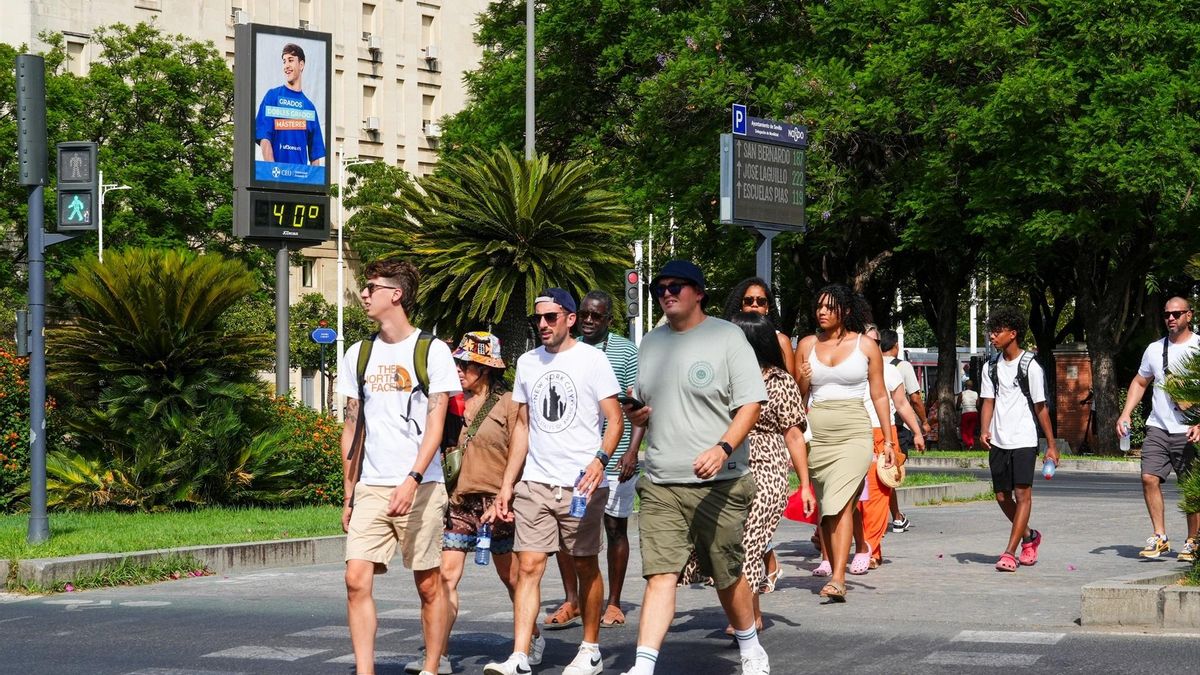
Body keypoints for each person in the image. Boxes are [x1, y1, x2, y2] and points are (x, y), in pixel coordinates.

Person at [620, 260, 769, 675]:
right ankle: (643, 666)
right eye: (659, 288)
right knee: (660, 575)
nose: (666, 293)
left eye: (676, 286)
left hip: (720, 483)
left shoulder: (727, 336)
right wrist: (634, 434)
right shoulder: (650, 343)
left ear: (698, 292)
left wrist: (723, 448)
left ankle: (751, 647)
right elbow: (645, 408)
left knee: (726, 575)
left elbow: (751, 403)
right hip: (663, 482)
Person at [486, 288, 624, 675]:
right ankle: (519, 655)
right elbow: (523, 428)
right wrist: (508, 484)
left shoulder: (593, 360)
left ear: (570, 319)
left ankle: (591, 648)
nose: (542, 325)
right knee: (528, 565)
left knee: (584, 566)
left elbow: (615, 419)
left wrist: (600, 460)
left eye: (550, 318)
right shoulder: (528, 363)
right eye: (537, 319)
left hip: (580, 484)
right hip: (536, 483)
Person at [338, 260, 459, 675]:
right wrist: (348, 493)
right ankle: (365, 670)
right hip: (371, 484)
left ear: (397, 294)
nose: (365, 294)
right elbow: (353, 426)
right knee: (355, 579)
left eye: (372, 287)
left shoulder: (432, 351)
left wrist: (412, 478)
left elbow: (436, 425)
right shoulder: (359, 353)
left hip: (421, 486)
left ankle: (431, 666)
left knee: (428, 584)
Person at [403, 332, 544, 675]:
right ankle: (440, 654)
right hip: (458, 503)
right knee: (446, 577)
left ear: (485, 368)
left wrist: (505, 494)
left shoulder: (509, 403)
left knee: (512, 578)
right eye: (457, 363)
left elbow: (520, 451)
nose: (460, 369)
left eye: (466, 364)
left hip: (498, 503)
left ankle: (532, 638)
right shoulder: (451, 405)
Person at [678, 311, 815, 635]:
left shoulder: (780, 381)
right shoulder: (720, 378)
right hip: (724, 469)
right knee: (725, 542)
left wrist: (805, 486)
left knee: (747, 542)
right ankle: (751, 611)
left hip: (767, 470)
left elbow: (794, 435)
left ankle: (747, 619)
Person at [545, 291, 647, 631]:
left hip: (615, 459)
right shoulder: (563, 349)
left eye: (597, 316)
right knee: (566, 533)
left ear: (608, 320)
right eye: (585, 314)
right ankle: (572, 600)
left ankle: (614, 602)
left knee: (615, 529)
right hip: (572, 460)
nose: (589, 321)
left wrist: (632, 451)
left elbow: (636, 409)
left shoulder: (625, 351)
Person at [794, 284, 894, 601]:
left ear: (845, 312)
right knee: (826, 510)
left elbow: (879, 394)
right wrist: (804, 377)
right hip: (817, 431)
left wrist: (889, 441)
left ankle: (839, 577)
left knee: (843, 504)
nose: (821, 312)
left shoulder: (865, 346)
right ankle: (834, 565)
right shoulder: (807, 344)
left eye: (829, 307)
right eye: (818, 306)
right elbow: (798, 397)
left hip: (854, 431)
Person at [1116, 297, 1200, 562]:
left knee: (1192, 489)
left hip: (1189, 429)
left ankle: (1193, 541)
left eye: (1177, 313)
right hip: (1158, 427)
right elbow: (1141, 382)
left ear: (1190, 315)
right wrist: (1125, 413)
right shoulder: (1154, 349)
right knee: (1148, 477)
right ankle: (1160, 536)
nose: (1171, 318)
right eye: (1167, 315)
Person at [979, 306, 1058, 572]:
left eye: (997, 331)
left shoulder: (1030, 366)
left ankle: (1010, 552)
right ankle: (1029, 537)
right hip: (999, 440)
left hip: (1024, 439)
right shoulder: (990, 367)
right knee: (1002, 496)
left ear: (1013, 334)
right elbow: (988, 401)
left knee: (1022, 494)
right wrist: (984, 428)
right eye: (992, 331)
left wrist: (1051, 446)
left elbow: (1041, 407)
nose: (992, 336)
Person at [854, 325, 924, 571]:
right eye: (864, 340)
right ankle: (868, 548)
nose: (869, 346)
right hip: (851, 435)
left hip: (882, 434)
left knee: (876, 496)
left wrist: (916, 431)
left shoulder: (890, 372)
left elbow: (902, 404)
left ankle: (869, 548)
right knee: (856, 500)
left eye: (874, 341)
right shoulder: (846, 370)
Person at [878, 330, 925, 533]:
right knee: (890, 473)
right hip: (895, 426)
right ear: (895, 346)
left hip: (871, 425)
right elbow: (913, 398)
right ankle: (896, 516)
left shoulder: (867, 364)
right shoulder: (902, 366)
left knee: (879, 473)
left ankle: (893, 516)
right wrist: (922, 424)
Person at [254, 43, 326, 165]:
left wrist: (312, 183)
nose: (286, 65)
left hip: (300, 179)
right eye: (284, 61)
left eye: (291, 60)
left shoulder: (309, 108)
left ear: (301, 65)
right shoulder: (272, 97)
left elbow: (315, 156)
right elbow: (265, 139)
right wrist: (273, 173)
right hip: (276, 177)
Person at [723, 277, 796, 375]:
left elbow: (789, 381)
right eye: (748, 301)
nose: (754, 305)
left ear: (767, 308)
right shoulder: (730, 338)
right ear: (741, 306)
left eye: (761, 301)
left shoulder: (781, 341)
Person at [958, 380, 980, 449]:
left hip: (965, 413)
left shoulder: (962, 393)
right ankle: (971, 444)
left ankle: (968, 443)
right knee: (971, 429)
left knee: (963, 430)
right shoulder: (975, 393)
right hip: (974, 413)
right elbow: (978, 405)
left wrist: (958, 408)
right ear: (972, 386)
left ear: (965, 386)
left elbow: (958, 404)